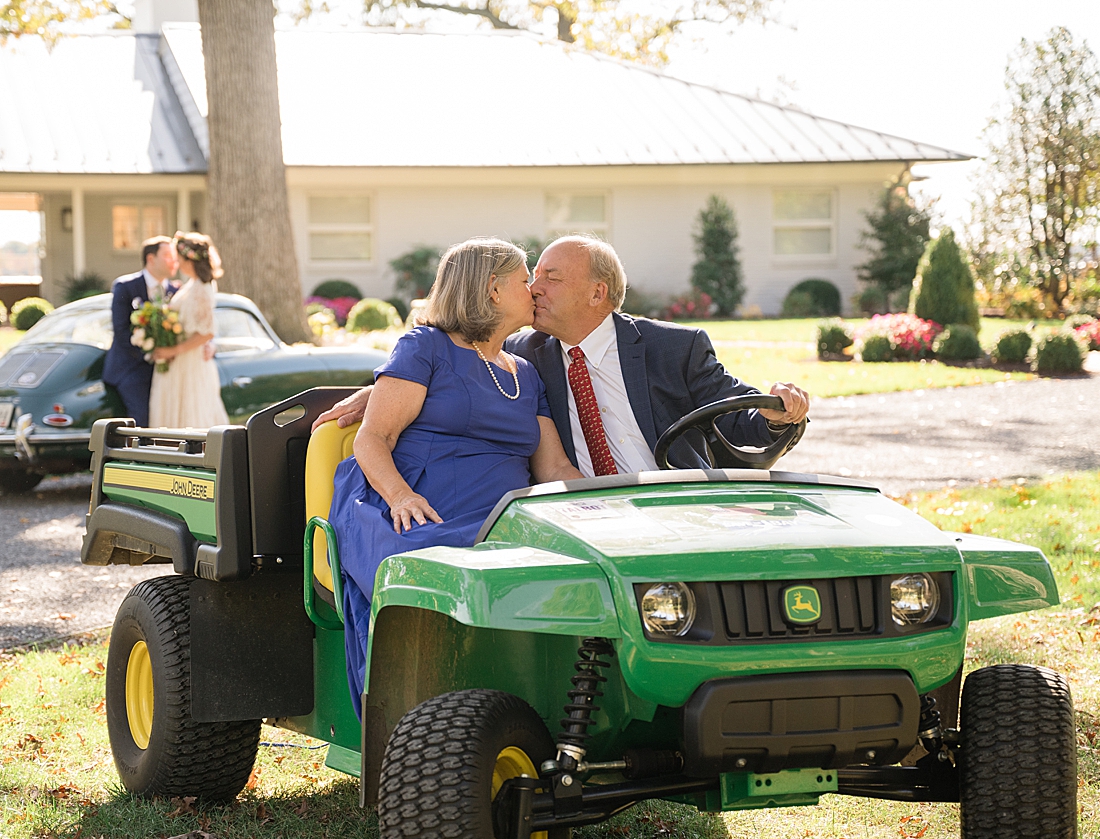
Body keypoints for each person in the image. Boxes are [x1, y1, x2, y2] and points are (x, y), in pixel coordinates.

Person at [329, 239, 582, 715]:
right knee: (435, 565)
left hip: (496, 515)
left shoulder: (526, 373)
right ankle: (413, 715)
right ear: (492, 289)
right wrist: (400, 496)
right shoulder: (425, 347)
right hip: (410, 505)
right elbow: (372, 438)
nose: (533, 289)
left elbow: (553, 469)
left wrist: (602, 505)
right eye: (525, 279)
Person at [315, 235, 811, 472]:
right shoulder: (521, 354)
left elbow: (739, 415)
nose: (534, 288)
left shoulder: (674, 348)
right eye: (533, 277)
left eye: (551, 278)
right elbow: (446, 354)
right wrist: (373, 392)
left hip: (671, 506)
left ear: (598, 293)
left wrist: (779, 412)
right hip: (578, 512)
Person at [148, 232, 231, 429]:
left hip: (190, 363)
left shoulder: (202, 287)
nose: (176, 261)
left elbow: (207, 332)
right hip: (182, 362)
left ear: (187, 259)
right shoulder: (192, 284)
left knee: (191, 413)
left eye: (178, 256)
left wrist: (172, 350)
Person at [106, 236, 179, 427]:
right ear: (151, 259)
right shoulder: (126, 286)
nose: (174, 260)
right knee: (143, 418)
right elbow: (121, 332)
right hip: (131, 368)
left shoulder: (176, 291)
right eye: (168, 255)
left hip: (168, 369)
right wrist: (150, 355)